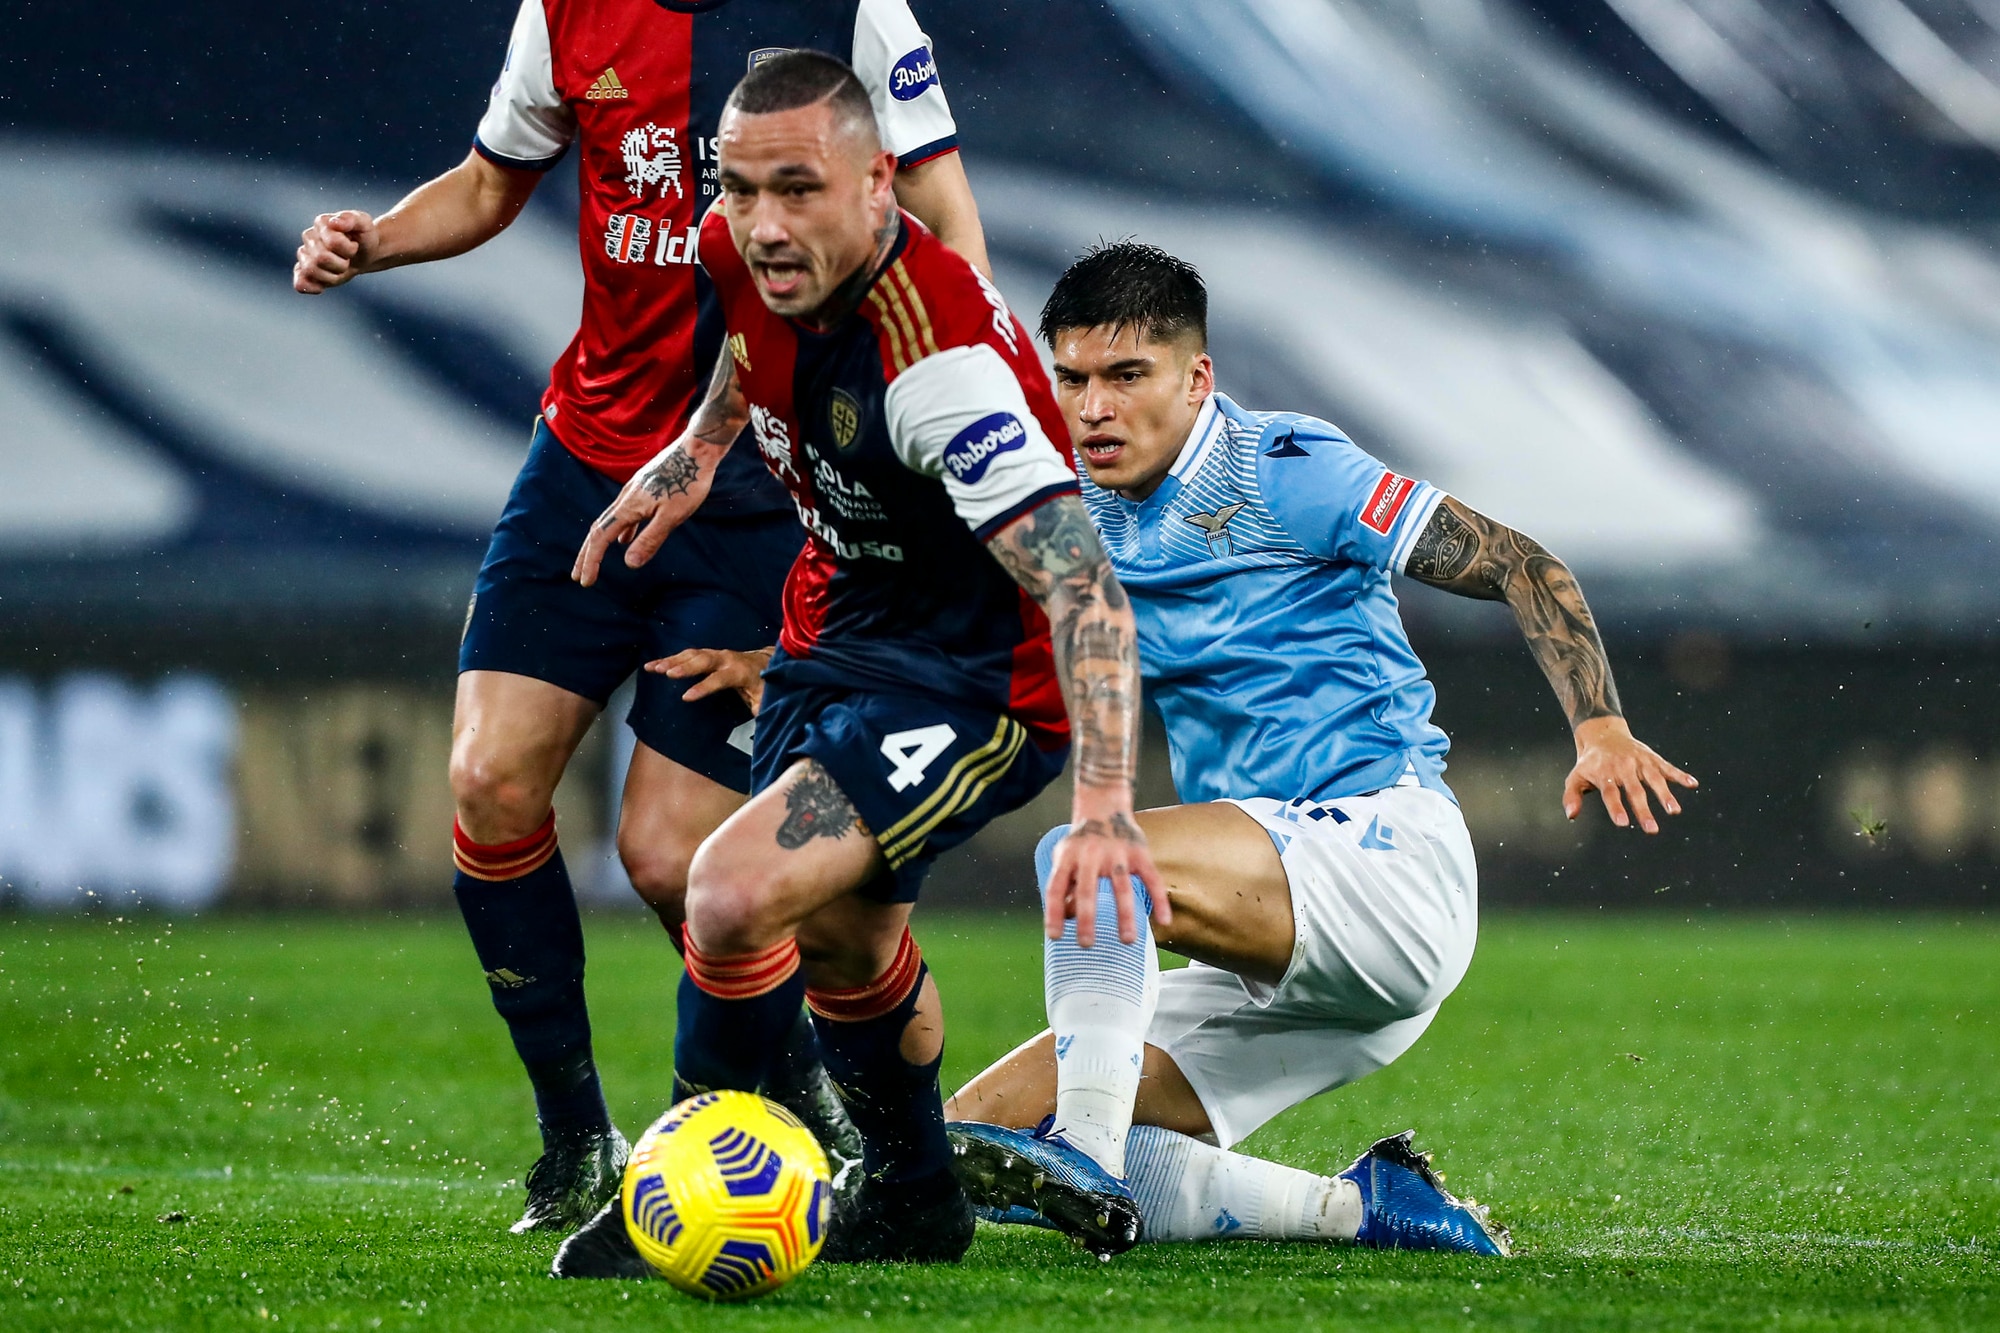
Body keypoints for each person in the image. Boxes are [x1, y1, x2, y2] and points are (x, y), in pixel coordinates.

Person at [290, 0, 990, 1235]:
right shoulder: (564, 11)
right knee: (488, 780)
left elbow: (945, 218)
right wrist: (375, 241)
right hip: (585, 463)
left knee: (671, 859)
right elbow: (489, 181)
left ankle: (806, 1115)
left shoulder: (853, 15)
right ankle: (576, 1141)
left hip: (765, 498)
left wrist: (931, 402)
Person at [943, 242, 1699, 1257]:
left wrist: (1598, 725)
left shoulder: (1284, 467)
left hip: (1385, 861)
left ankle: (1084, 1146)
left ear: (1195, 377)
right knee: (969, 1141)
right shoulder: (1069, 512)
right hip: (1277, 929)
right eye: (1072, 380)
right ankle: (1363, 1208)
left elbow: (1519, 562)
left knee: (1087, 857)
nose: (1093, 409)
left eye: (1126, 376)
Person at [550, 51, 1160, 1277]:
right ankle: (914, 1198)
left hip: (973, 680)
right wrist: (695, 453)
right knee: (845, 945)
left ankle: (668, 1183)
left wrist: (1103, 806)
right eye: (739, 190)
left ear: (878, 183)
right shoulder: (736, 252)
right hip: (831, 634)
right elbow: (745, 355)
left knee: (730, 892)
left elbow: (1084, 588)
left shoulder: (939, 371)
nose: (763, 225)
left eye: (798, 189)